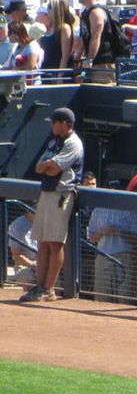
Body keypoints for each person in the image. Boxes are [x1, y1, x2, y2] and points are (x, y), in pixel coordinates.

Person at [21, 107, 83, 303]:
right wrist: (48, 166)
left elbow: (55, 169)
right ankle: (39, 288)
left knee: (55, 243)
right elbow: (40, 167)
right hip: (46, 193)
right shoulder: (54, 140)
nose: (51, 125)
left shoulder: (74, 143)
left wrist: (49, 166)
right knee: (42, 241)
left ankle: (48, 289)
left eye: (53, 122)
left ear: (64, 123)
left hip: (61, 195)